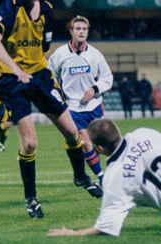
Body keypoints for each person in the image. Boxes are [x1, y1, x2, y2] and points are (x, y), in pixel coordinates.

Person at [0, 0, 101, 218]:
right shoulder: (7, 10)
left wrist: (34, 70)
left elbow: (44, 48)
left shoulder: (47, 10)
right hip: (12, 82)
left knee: (73, 133)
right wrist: (16, 69)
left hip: (39, 76)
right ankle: (31, 199)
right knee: (29, 144)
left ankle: (80, 177)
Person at [48, 15, 113, 182]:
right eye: (78, 28)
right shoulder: (60, 54)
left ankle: (114, 172)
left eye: (84, 29)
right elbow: (50, 76)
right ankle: (101, 178)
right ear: (71, 31)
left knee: (100, 146)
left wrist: (95, 88)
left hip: (94, 106)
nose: (81, 32)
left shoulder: (95, 55)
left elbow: (107, 78)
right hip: (72, 108)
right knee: (84, 141)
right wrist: (56, 93)